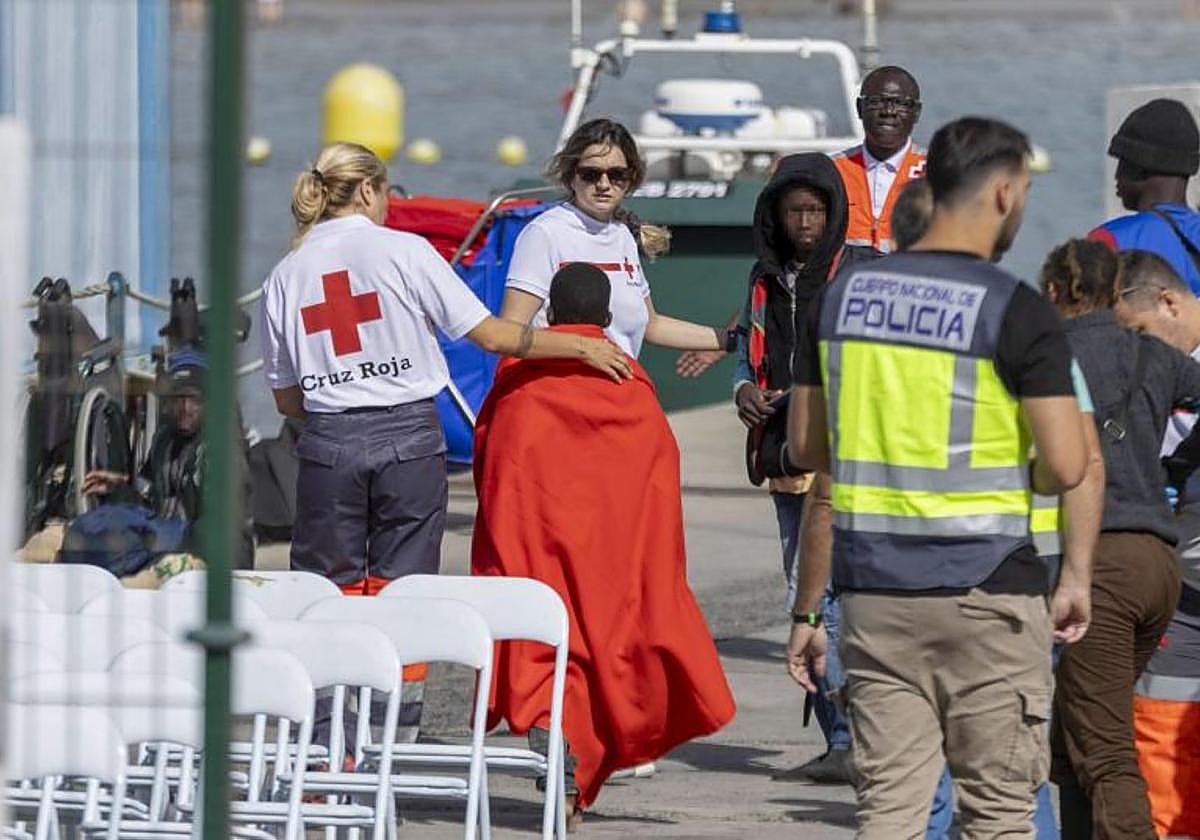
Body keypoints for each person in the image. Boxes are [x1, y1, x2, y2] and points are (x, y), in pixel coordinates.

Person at [786, 116, 1093, 838]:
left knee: (890, 811)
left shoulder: (839, 302)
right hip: (988, 592)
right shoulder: (1017, 310)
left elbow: (804, 446)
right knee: (996, 814)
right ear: (1004, 193)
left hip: (875, 594)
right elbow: (1067, 465)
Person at [260, 141, 631, 595]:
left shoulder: (284, 274)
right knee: (403, 589)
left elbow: (287, 399)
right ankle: (398, 668)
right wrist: (580, 346)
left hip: (329, 445)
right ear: (369, 191)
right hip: (409, 442)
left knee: (325, 591)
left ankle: (334, 666)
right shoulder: (406, 251)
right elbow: (493, 336)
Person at [473, 262, 736, 827]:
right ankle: (569, 784)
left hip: (535, 556)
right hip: (612, 563)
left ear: (549, 316)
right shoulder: (631, 386)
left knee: (545, 656)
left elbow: (493, 469)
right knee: (599, 659)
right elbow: (658, 478)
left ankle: (558, 775)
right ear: (609, 319)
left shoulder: (519, 381)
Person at [1039, 238, 1200, 840]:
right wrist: (1178, 466)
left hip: (1099, 562)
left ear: (1056, 293)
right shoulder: (1153, 354)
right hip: (1159, 563)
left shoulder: (1051, 355)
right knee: (1075, 732)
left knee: (1105, 749)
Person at [733, 152, 874, 783]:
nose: (806, 224)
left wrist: (803, 396)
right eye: (794, 212)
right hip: (785, 460)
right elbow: (747, 355)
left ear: (835, 213)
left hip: (847, 457)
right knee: (807, 594)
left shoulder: (858, 273)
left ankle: (849, 737)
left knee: (824, 600)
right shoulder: (764, 281)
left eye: (816, 211)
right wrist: (746, 392)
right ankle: (839, 737)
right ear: (776, 217)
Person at [501, 117, 736, 360]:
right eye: (591, 174)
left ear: (630, 178)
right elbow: (510, 333)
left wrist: (731, 340)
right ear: (572, 176)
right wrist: (584, 350)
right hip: (561, 390)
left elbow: (652, 325)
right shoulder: (545, 233)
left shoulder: (622, 235)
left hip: (616, 391)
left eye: (616, 175)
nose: (604, 184)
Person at [1109, 249, 1200, 839]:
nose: (1138, 352)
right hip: (1182, 589)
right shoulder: (1157, 375)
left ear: (1169, 302)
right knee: (1161, 731)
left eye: (1140, 334)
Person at [82, 347, 256, 570]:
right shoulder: (163, 441)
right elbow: (148, 503)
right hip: (168, 551)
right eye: (177, 399)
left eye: (194, 400)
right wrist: (119, 487)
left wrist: (156, 535)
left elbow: (221, 528)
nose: (184, 408)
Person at [1089, 98, 1200, 294]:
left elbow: (1081, 320)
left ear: (1140, 166)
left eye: (1122, 162)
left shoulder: (1108, 241)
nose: (1116, 175)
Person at [831, 65, 927, 254]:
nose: (889, 111)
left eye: (900, 103)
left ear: (916, 112)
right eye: (876, 102)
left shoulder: (938, 175)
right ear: (860, 108)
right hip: (847, 281)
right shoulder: (832, 171)